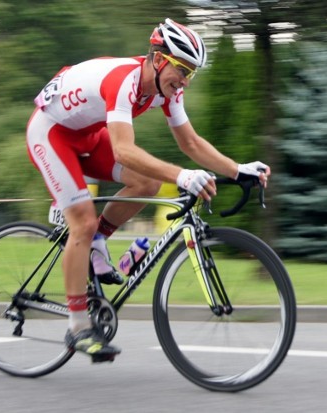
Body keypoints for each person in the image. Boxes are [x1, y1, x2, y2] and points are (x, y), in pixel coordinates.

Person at [26, 18, 270, 362]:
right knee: (82, 222)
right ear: (157, 59)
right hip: (51, 134)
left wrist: (237, 168)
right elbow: (125, 151)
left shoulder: (165, 90)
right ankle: (78, 326)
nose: (184, 80)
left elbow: (190, 141)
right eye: (181, 69)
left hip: (87, 134)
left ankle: (97, 241)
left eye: (191, 72)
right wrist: (183, 176)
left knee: (147, 182)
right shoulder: (124, 81)